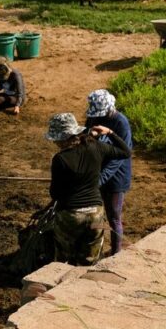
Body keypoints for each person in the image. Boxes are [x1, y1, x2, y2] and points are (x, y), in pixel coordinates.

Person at [45, 112, 131, 266]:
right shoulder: (95, 146)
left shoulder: (60, 159)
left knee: (63, 260)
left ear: (61, 139)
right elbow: (126, 152)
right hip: (95, 214)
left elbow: (55, 193)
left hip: (71, 216)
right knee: (90, 260)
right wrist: (110, 133)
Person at [85, 89, 133, 256]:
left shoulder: (121, 123)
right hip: (97, 171)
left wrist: (101, 179)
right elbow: (86, 140)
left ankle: (116, 253)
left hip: (116, 176)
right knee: (94, 214)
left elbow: (120, 157)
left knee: (113, 216)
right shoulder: (94, 117)